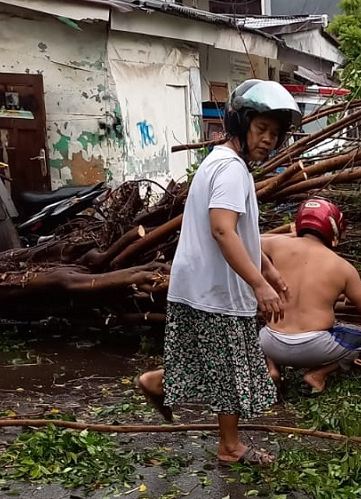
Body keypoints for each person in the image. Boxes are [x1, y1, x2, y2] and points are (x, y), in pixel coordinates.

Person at [135, 79, 302, 466]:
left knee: (206, 359)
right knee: (229, 368)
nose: (268, 140)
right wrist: (259, 285)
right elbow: (223, 231)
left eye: (275, 134)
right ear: (241, 124)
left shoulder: (222, 162)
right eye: (261, 129)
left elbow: (242, 232)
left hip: (198, 284)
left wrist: (269, 270)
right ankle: (230, 447)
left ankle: (157, 382)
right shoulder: (230, 170)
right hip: (215, 289)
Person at [258, 198, 361, 396]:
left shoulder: (277, 245)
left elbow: (248, 239)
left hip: (270, 343)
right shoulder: (342, 267)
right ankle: (318, 374)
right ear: (335, 229)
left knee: (264, 325)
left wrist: (290, 235)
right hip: (315, 348)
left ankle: (273, 369)